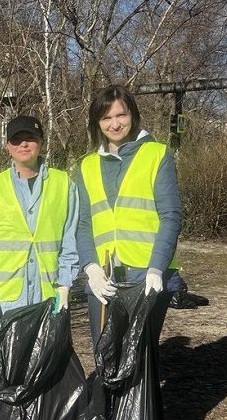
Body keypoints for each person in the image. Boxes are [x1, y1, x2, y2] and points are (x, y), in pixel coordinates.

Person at [76, 84, 182, 349]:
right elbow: (83, 223)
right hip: (104, 277)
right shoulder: (87, 165)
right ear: (97, 123)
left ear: (133, 115)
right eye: (106, 118)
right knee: (105, 355)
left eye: (121, 115)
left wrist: (156, 269)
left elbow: (170, 215)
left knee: (140, 357)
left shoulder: (156, 154)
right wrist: (90, 268)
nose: (114, 124)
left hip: (146, 275)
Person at [0, 115, 79, 337]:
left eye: (30, 138)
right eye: (16, 139)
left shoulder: (64, 184)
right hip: (5, 301)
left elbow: (70, 238)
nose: (24, 144)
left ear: (41, 142)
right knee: (6, 359)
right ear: (8, 146)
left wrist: (65, 284)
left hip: (48, 298)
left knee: (46, 358)